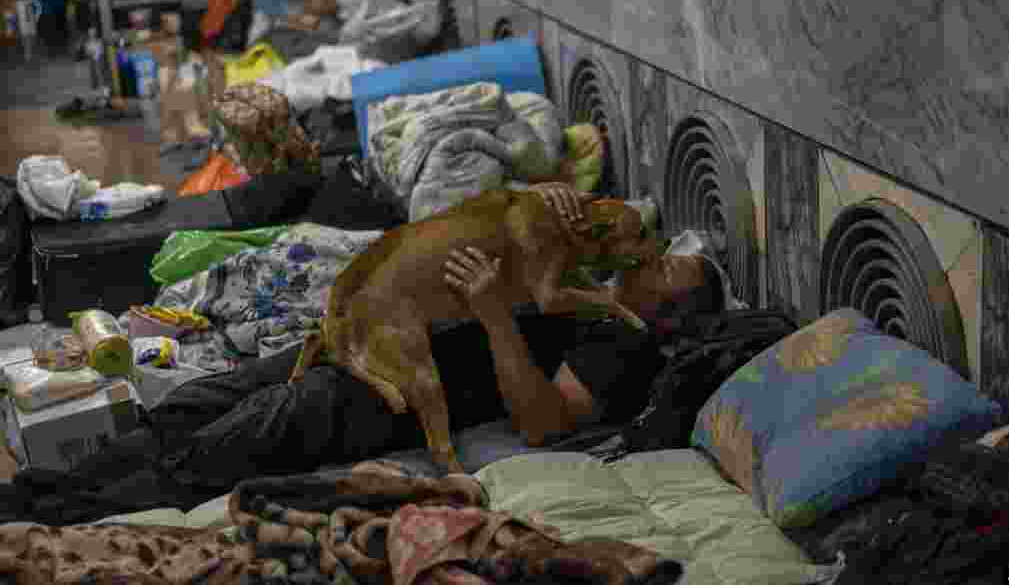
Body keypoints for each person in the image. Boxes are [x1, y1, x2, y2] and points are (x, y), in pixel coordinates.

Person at [2, 184, 729, 523]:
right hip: (359, 338)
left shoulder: (620, 341)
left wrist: (491, 316)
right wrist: (540, 192)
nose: (657, 255)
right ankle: (33, 490)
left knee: (212, 449)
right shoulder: (583, 263)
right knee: (186, 408)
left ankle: (46, 514)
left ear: (674, 311)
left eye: (671, 267)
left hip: (387, 395)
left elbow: (546, 421)